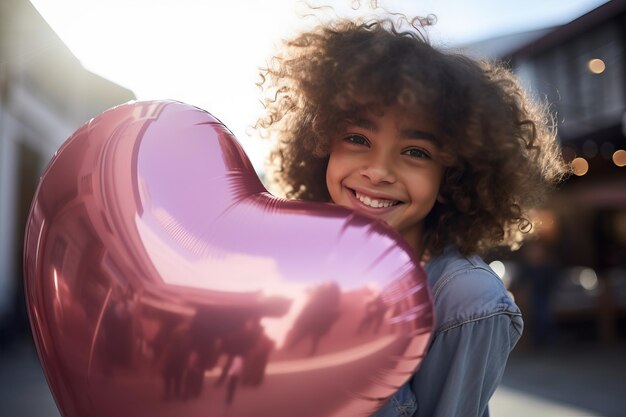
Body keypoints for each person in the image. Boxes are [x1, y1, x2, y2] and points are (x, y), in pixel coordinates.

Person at [255, 12, 569, 417]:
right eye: (356, 138)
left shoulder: (465, 301)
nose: (379, 170)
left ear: (454, 173)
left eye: (416, 152)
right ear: (319, 143)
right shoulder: (300, 267)